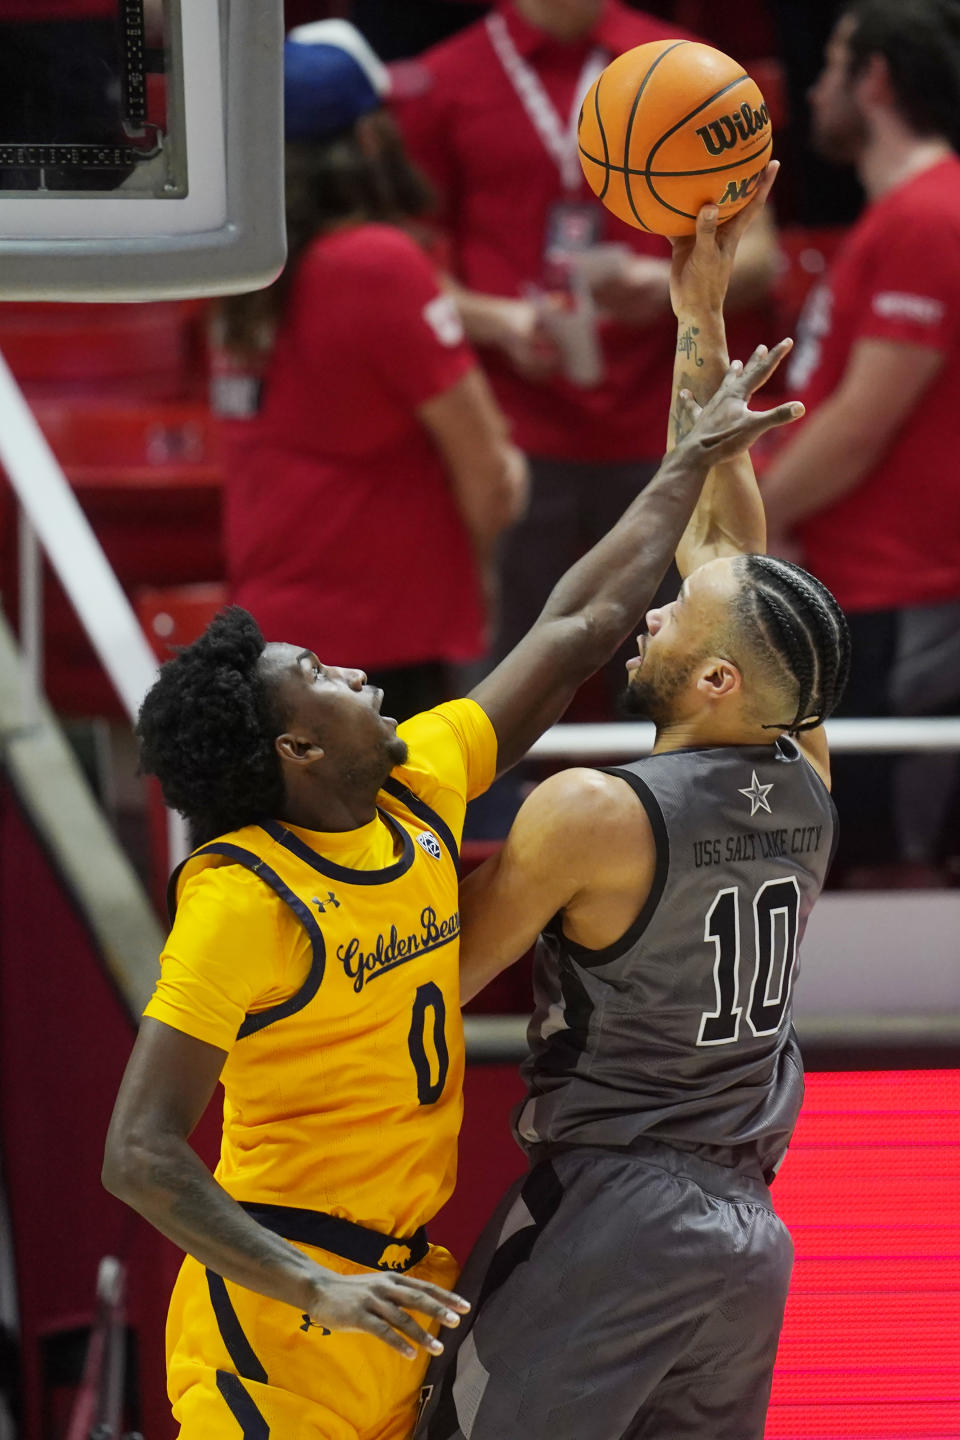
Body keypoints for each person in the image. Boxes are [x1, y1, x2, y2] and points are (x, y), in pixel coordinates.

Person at [101, 184, 801, 1437]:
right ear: (298, 746)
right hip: (284, 1305)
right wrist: (312, 1282)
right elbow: (140, 1154)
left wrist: (687, 456)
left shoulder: (416, 779)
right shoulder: (240, 898)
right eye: (319, 677)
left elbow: (579, 624)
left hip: (405, 1276)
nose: (355, 672)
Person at [415, 191, 850, 1440]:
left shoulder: (595, 811)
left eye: (676, 622)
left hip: (613, 1211)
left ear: (718, 681)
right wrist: (697, 314)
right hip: (748, 1235)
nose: (650, 616)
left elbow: (431, 973)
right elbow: (722, 538)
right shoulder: (808, 777)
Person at [393, 0, 780, 709]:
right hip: (516, 430)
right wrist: (501, 321)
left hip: (665, 427)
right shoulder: (444, 80)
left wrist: (671, 282)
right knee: (504, 683)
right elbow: (402, 270)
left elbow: (763, 250)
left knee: (693, 678)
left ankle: (676, 814)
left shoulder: (687, 65)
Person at [214, 21, 527, 725]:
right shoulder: (376, 263)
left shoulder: (238, 273)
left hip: (270, 641)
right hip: (379, 652)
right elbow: (493, 477)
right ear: (368, 139)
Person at [760, 0, 960, 883]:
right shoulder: (905, 215)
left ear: (874, 78)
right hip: (865, 587)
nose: (812, 85)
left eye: (833, 64)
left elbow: (860, 423)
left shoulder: (928, 217)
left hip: (901, 591)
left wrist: (750, 522)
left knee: (881, 866)